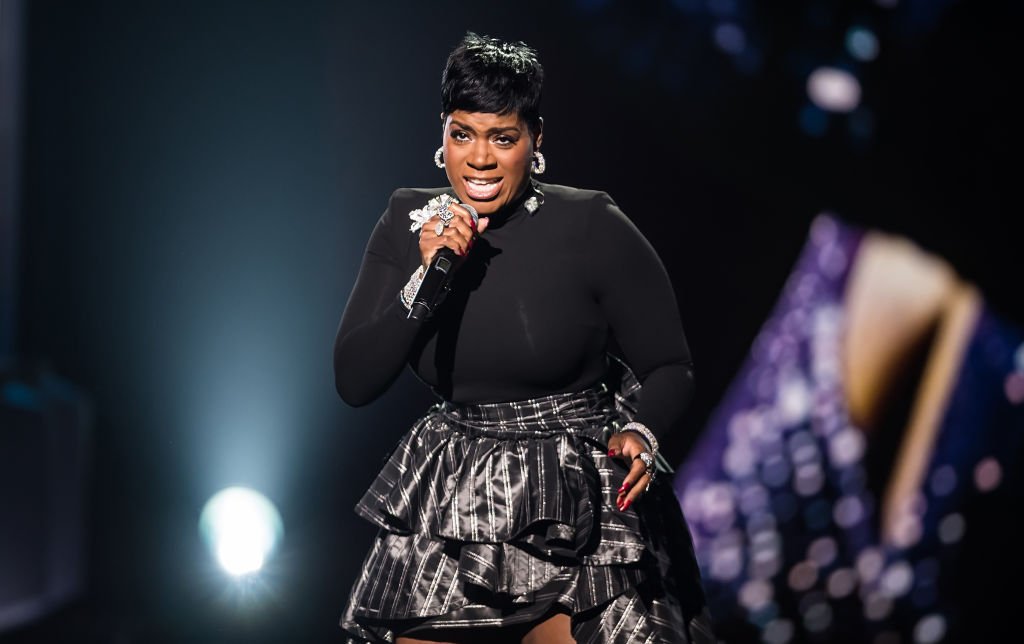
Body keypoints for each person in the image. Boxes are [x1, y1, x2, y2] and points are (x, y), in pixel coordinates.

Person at [334, 32, 712, 644]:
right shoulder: (409, 222)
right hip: (453, 497)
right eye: (463, 134)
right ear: (443, 135)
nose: (479, 159)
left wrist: (641, 431)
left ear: (534, 140)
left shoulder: (592, 223)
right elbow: (354, 380)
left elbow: (671, 364)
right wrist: (429, 278)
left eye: (502, 138)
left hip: (577, 503)